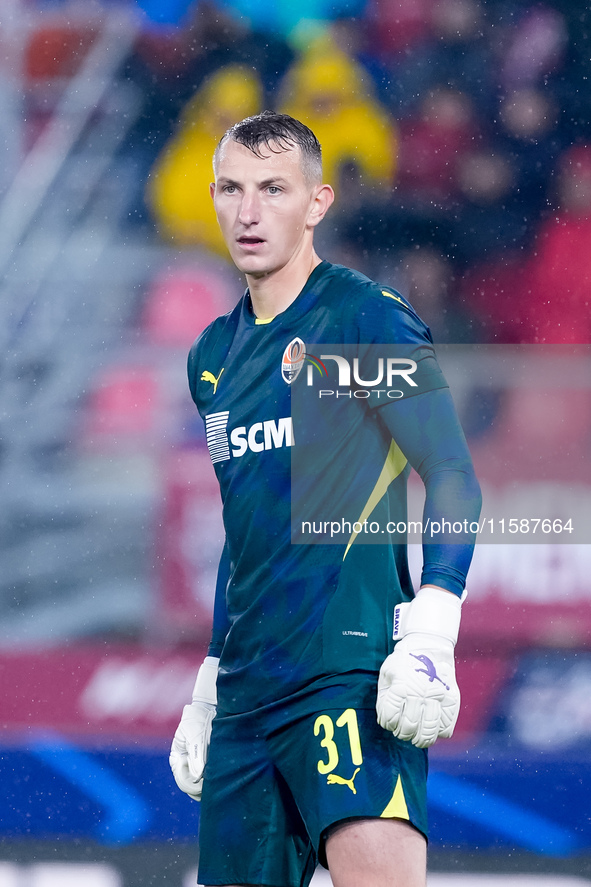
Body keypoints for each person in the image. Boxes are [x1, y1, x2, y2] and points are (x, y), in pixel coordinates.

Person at [169, 111, 481, 887]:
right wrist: (210, 680)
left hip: (347, 673)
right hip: (245, 700)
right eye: (232, 189)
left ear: (316, 202)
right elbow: (245, 532)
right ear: (210, 196)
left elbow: (448, 470)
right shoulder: (212, 356)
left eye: (273, 189)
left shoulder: (358, 318)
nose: (248, 211)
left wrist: (432, 630)